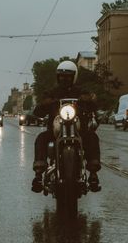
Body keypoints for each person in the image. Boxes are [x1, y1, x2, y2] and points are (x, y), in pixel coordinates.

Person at [31, 60, 101, 193]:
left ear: (73, 77)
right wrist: (45, 104)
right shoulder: (52, 93)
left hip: (80, 130)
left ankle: (93, 174)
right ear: (58, 77)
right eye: (61, 76)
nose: (64, 79)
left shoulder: (81, 92)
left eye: (68, 76)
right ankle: (38, 175)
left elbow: (94, 106)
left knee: (92, 137)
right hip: (55, 130)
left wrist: (89, 100)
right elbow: (38, 112)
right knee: (41, 138)